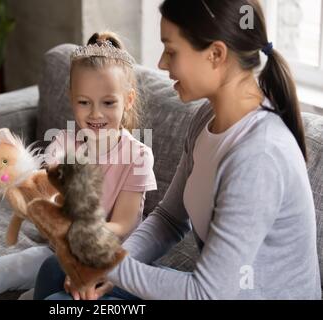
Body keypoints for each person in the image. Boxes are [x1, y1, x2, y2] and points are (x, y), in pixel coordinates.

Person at [34, 0, 321, 300]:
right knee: (55, 269)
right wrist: (109, 264)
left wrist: (110, 267)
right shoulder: (206, 119)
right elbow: (170, 219)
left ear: (216, 54)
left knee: (59, 303)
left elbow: (205, 293)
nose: (161, 63)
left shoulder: (259, 156)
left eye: (171, 50)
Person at [0, 31, 157, 300]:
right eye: (84, 102)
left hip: (108, 260)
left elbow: (124, 224)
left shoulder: (138, 155)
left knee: (44, 286)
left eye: (108, 103)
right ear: (71, 98)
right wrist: (10, 176)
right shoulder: (64, 143)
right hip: (58, 250)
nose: (95, 114)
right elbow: (44, 192)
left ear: (127, 100)